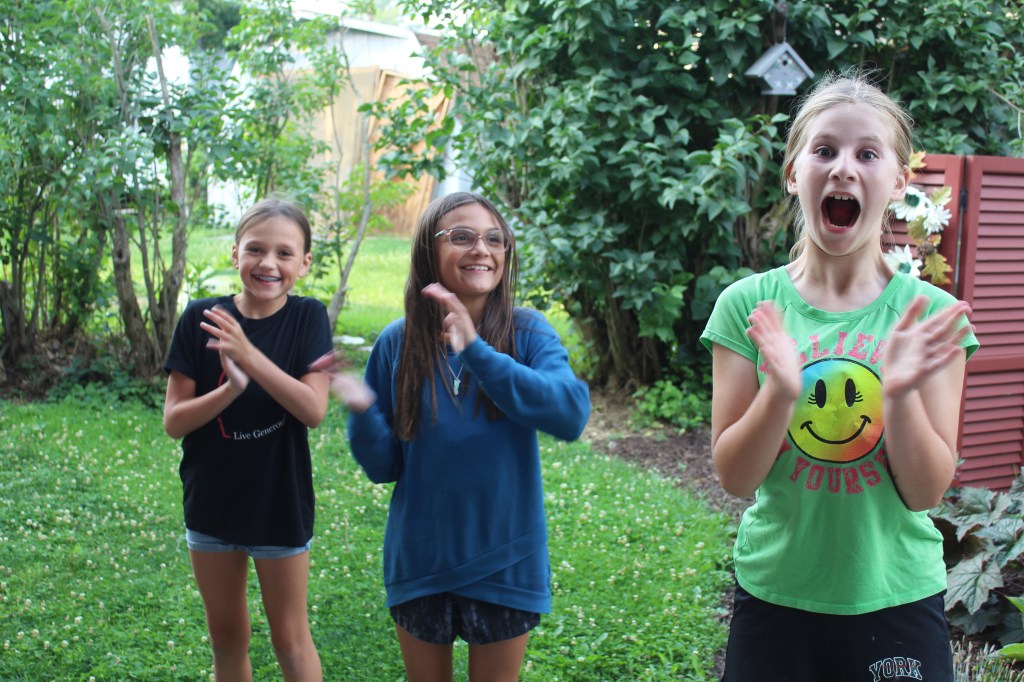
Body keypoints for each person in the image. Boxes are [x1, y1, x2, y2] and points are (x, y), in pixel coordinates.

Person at [700, 71, 978, 681]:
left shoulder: (929, 317)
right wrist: (779, 392)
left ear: (898, 181)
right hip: (776, 596)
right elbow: (736, 478)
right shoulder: (748, 307)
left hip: (898, 596)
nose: (843, 168)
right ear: (793, 173)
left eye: (868, 154)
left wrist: (899, 395)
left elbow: (926, 492)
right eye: (824, 150)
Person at [312, 191, 590, 682]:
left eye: (494, 239)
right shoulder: (397, 342)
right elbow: (383, 467)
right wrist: (362, 409)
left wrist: (477, 351)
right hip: (420, 562)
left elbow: (569, 414)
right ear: (429, 250)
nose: (481, 249)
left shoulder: (528, 331)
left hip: (508, 561)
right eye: (462, 236)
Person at [163, 198, 332, 681]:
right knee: (226, 637)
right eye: (256, 249)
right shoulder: (200, 317)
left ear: (304, 263)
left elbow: (313, 409)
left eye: (284, 253)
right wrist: (231, 388)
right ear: (235, 254)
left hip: (279, 502)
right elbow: (174, 421)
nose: (268, 263)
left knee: (290, 638)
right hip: (212, 500)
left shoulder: (308, 318)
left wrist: (249, 358)